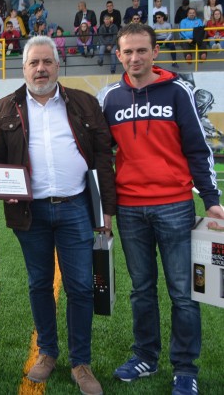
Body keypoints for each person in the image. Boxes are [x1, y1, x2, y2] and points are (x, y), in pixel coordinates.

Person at [0, 35, 115, 395]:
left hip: (76, 207)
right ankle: (47, 353)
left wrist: (106, 213)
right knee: (39, 284)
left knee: (79, 287)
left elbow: (104, 160)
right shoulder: (4, 108)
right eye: (33, 63)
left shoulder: (85, 103)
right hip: (31, 213)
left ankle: (81, 362)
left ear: (58, 66)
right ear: (23, 68)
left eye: (47, 62)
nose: (40, 69)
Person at [102, 22, 224, 395]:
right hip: (131, 210)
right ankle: (145, 356)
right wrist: (104, 206)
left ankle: (184, 368)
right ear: (118, 55)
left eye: (142, 50)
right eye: (128, 52)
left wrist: (212, 201)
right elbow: (100, 156)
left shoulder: (178, 92)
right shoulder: (109, 98)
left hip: (175, 206)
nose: (135, 58)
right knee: (141, 290)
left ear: (155, 52)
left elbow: (198, 150)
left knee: (183, 293)